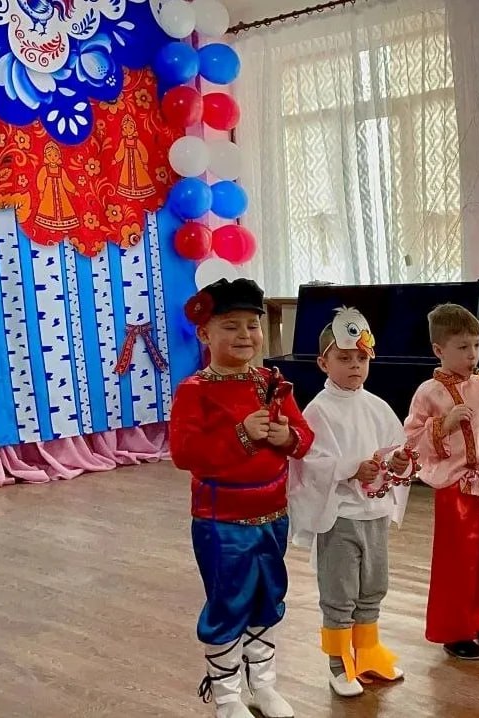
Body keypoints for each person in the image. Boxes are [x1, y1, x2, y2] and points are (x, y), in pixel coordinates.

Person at [170, 277, 314, 718]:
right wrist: (241, 434)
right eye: (230, 326)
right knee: (228, 603)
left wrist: (287, 436)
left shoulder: (272, 382)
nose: (245, 335)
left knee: (268, 598)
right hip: (221, 522)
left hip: (273, 515)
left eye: (252, 325)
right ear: (204, 333)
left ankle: (263, 685)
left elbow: (304, 436)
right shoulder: (195, 391)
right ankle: (227, 695)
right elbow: (185, 454)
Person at [287, 307, 410, 697]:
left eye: (361, 357)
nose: (355, 365)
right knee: (340, 590)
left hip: (374, 514)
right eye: (344, 358)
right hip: (340, 516)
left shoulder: (377, 406)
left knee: (373, 585)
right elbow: (310, 463)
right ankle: (339, 664)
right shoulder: (318, 410)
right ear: (324, 363)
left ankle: (368, 651)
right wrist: (351, 469)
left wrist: (400, 462)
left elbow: (397, 448)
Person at [404, 303, 479, 660]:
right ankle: (455, 630)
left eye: (477, 345)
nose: (472, 355)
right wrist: (445, 424)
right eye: (463, 347)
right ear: (439, 350)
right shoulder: (428, 392)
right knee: (458, 563)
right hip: (457, 488)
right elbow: (412, 439)